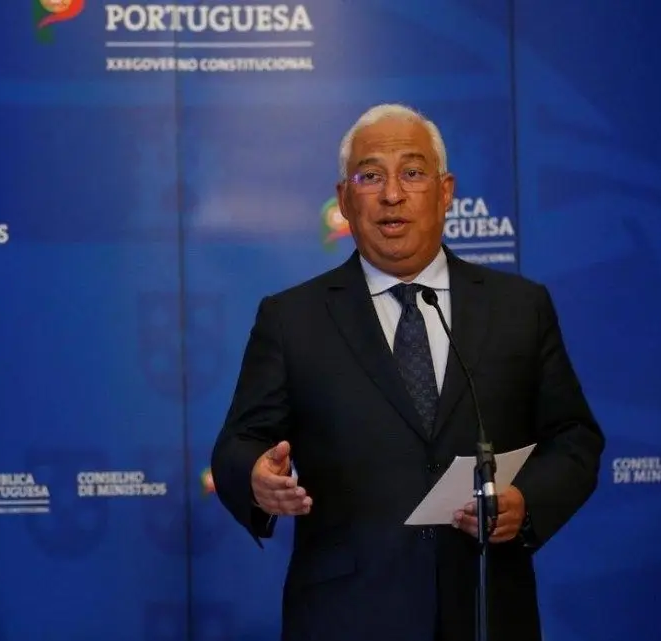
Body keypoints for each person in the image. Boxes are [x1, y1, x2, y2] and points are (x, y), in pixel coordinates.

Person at [210, 103, 604, 641]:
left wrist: (527, 502)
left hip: (485, 608)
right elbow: (238, 443)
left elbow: (574, 438)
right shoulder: (292, 318)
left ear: (446, 192)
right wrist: (257, 478)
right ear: (344, 199)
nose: (392, 194)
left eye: (413, 173)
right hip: (346, 617)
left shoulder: (519, 307)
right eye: (369, 176)